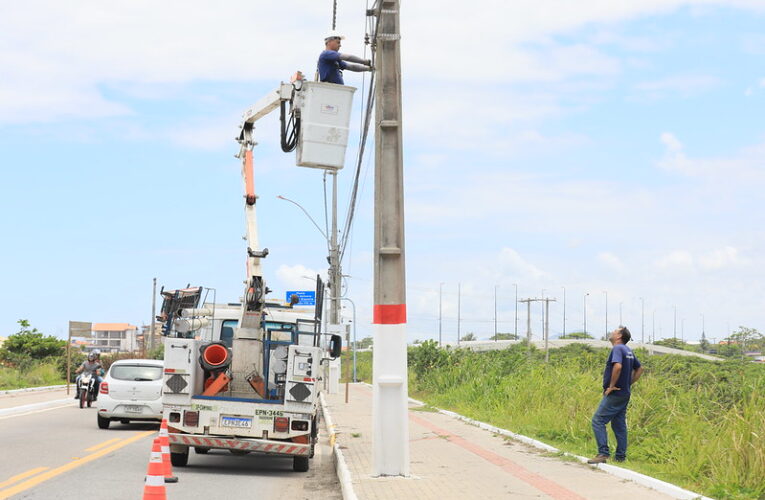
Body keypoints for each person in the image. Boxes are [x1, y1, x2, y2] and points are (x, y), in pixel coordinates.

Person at [587, 326, 644, 464]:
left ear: (619, 336)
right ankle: (620, 457)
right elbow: (640, 368)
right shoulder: (628, 350)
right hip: (624, 393)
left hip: (615, 393)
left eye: (615, 331)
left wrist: (611, 386)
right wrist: (628, 383)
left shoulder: (618, 349)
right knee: (619, 425)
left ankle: (603, 454)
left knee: (598, 420)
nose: (612, 332)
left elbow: (617, 366)